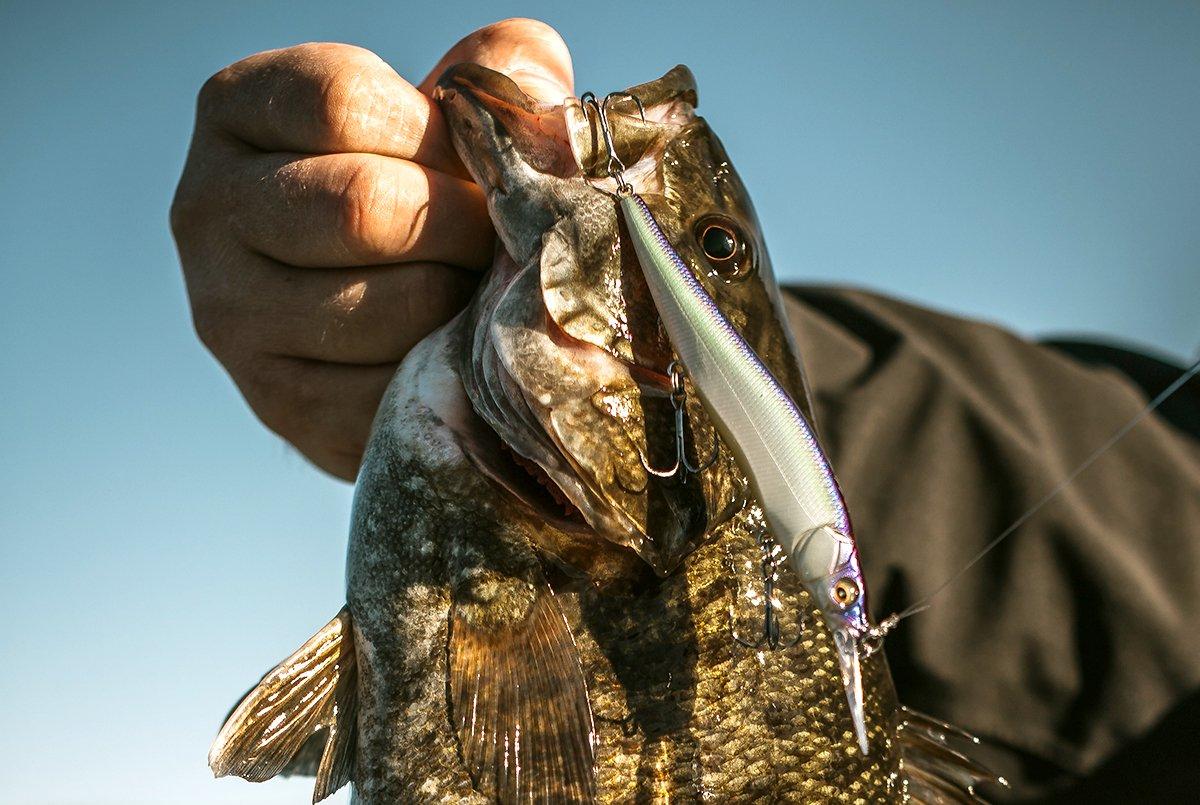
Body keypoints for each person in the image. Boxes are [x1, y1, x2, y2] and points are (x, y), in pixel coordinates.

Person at [171, 18, 1200, 802]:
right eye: (707, 257)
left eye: (710, 254)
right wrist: (430, 289)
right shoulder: (1143, 477)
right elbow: (854, 429)